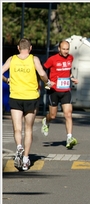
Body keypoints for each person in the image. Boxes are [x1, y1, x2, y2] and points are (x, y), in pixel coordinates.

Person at [1, 38, 50, 171]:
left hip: (15, 96)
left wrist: (7, 80)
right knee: (28, 129)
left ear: (18, 48)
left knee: (17, 129)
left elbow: (1, 72)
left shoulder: (12, 59)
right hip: (31, 97)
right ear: (30, 48)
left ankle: (18, 147)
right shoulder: (34, 59)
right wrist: (47, 82)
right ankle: (26, 159)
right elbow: (42, 73)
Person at [42, 40, 79, 149]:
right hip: (53, 90)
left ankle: (69, 138)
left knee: (68, 114)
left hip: (66, 90)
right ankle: (46, 121)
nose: (66, 51)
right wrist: (48, 82)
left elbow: (68, 71)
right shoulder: (52, 60)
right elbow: (42, 71)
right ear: (59, 49)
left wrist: (72, 78)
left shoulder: (70, 58)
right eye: (63, 49)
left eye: (67, 49)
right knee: (53, 116)